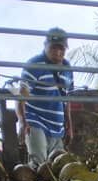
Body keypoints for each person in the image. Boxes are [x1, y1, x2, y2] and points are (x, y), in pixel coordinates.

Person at [17, 27, 74, 169]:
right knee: (39, 164)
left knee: (57, 167)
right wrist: (23, 122)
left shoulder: (67, 69)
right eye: (53, 48)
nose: (57, 52)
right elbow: (21, 96)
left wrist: (69, 125)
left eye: (61, 48)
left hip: (57, 127)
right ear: (45, 45)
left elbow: (67, 99)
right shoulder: (34, 65)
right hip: (36, 121)